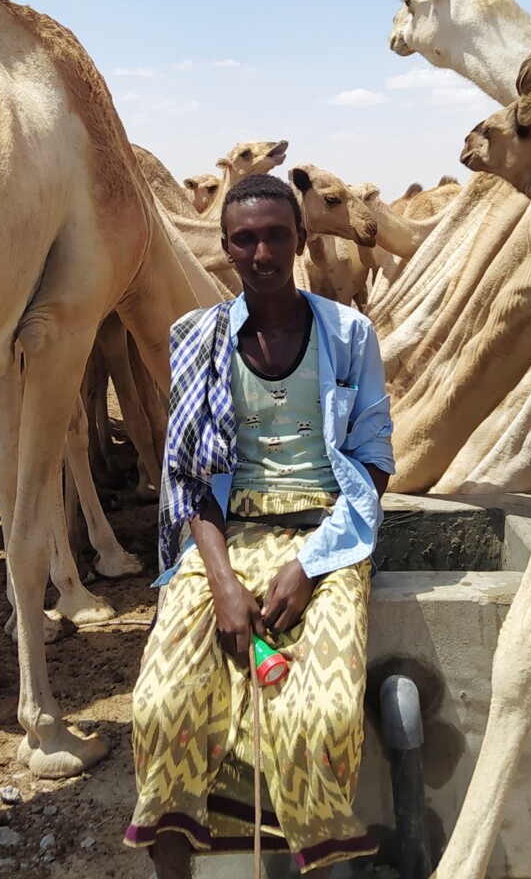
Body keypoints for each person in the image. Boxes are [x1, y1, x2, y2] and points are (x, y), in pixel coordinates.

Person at [124, 173, 394, 877]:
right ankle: (176, 866)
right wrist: (219, 582)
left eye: (277, 235)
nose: (263, 252)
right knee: (162, 703)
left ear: (300, 241)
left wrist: (310, 568)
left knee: (322, 717)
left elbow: (371, 466)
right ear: (226, 250)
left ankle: (317, 860)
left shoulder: (349, 334)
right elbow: (189, 479)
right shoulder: (198, 338)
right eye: (246, 240)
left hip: (327, 536)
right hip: (225, 533)